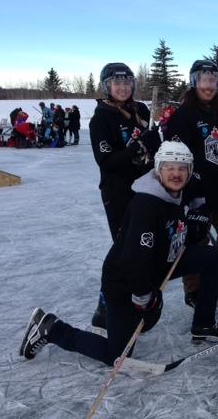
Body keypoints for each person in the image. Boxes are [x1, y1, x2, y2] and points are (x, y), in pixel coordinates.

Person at [19, 142, 218, 367]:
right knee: (118, 355)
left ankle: (204, 323)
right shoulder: (147, 205)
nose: (176, 173)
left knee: (212, 257)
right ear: (158, 169)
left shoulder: (176, 192)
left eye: (182, 168)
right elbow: (135, 259)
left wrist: (197, 219)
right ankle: (51, 329)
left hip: (158, 265)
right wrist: (143, 296)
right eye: (169, 167)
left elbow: (178, 228)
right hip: (125, 281)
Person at [88, 62, 161, 329]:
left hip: (146, 189)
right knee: (124, 250)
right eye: (116, 83)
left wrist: (156, 143)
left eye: (126, 82)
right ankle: (105, 306)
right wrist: (139, 147)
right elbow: (106, 161)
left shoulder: (140, 110)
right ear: (107, 87)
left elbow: (152, 150)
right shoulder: (101, 118)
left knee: (144, 247)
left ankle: (138, 300)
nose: (122, 88)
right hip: (118, 193)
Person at [164, 59, 218, 307]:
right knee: (197, 239)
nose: (209, 86)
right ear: (194, 82)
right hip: (197, 190)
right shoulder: (183, 115)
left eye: (214, 80)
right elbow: (175, 155)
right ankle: (193, 288)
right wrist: (191, 187)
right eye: (204, 80)